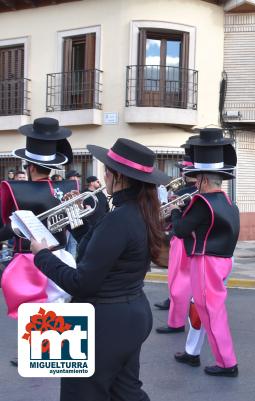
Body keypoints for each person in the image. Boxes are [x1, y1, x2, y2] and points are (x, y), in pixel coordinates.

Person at [31, 138, 170, 401]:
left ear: (117, 175)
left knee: (80, 394)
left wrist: (42, 256)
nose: (103, 175)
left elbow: (81, 282)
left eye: (107, 169)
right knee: (125, 392)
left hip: (103, 323)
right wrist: (77, 221)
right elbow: (102, 253)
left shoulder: (119, 218)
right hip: (131, 316)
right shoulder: (140, 211)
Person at [0, 117, 77, 365]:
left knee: (33, 305)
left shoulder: (16, 189)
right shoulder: (68, 186)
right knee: (56, 304)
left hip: (30, 258)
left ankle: (40, 353)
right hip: (63, 253)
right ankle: (51, 351)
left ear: (29, 166)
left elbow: (7, 228)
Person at [168, 128, 240, 377]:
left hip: (207, 262)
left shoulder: (202, 202)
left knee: (211, 312)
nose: (194, 182)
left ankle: (227, 363)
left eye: (196, 178)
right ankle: (192, 352)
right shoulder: (228, 201)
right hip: (223, 260)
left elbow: (179, 230)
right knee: (198, 308)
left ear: (204, 180)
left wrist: (177, 209)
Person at [155, 154, 200, 331]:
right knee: (184, 280)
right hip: (193, 240)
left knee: (177, 281)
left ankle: (176, 322)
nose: (180, 173)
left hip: (181, 239)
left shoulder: (182, 193)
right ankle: (177, 308)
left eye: (182, 170)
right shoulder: (195, 191)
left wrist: (171, 208)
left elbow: (169, 214)